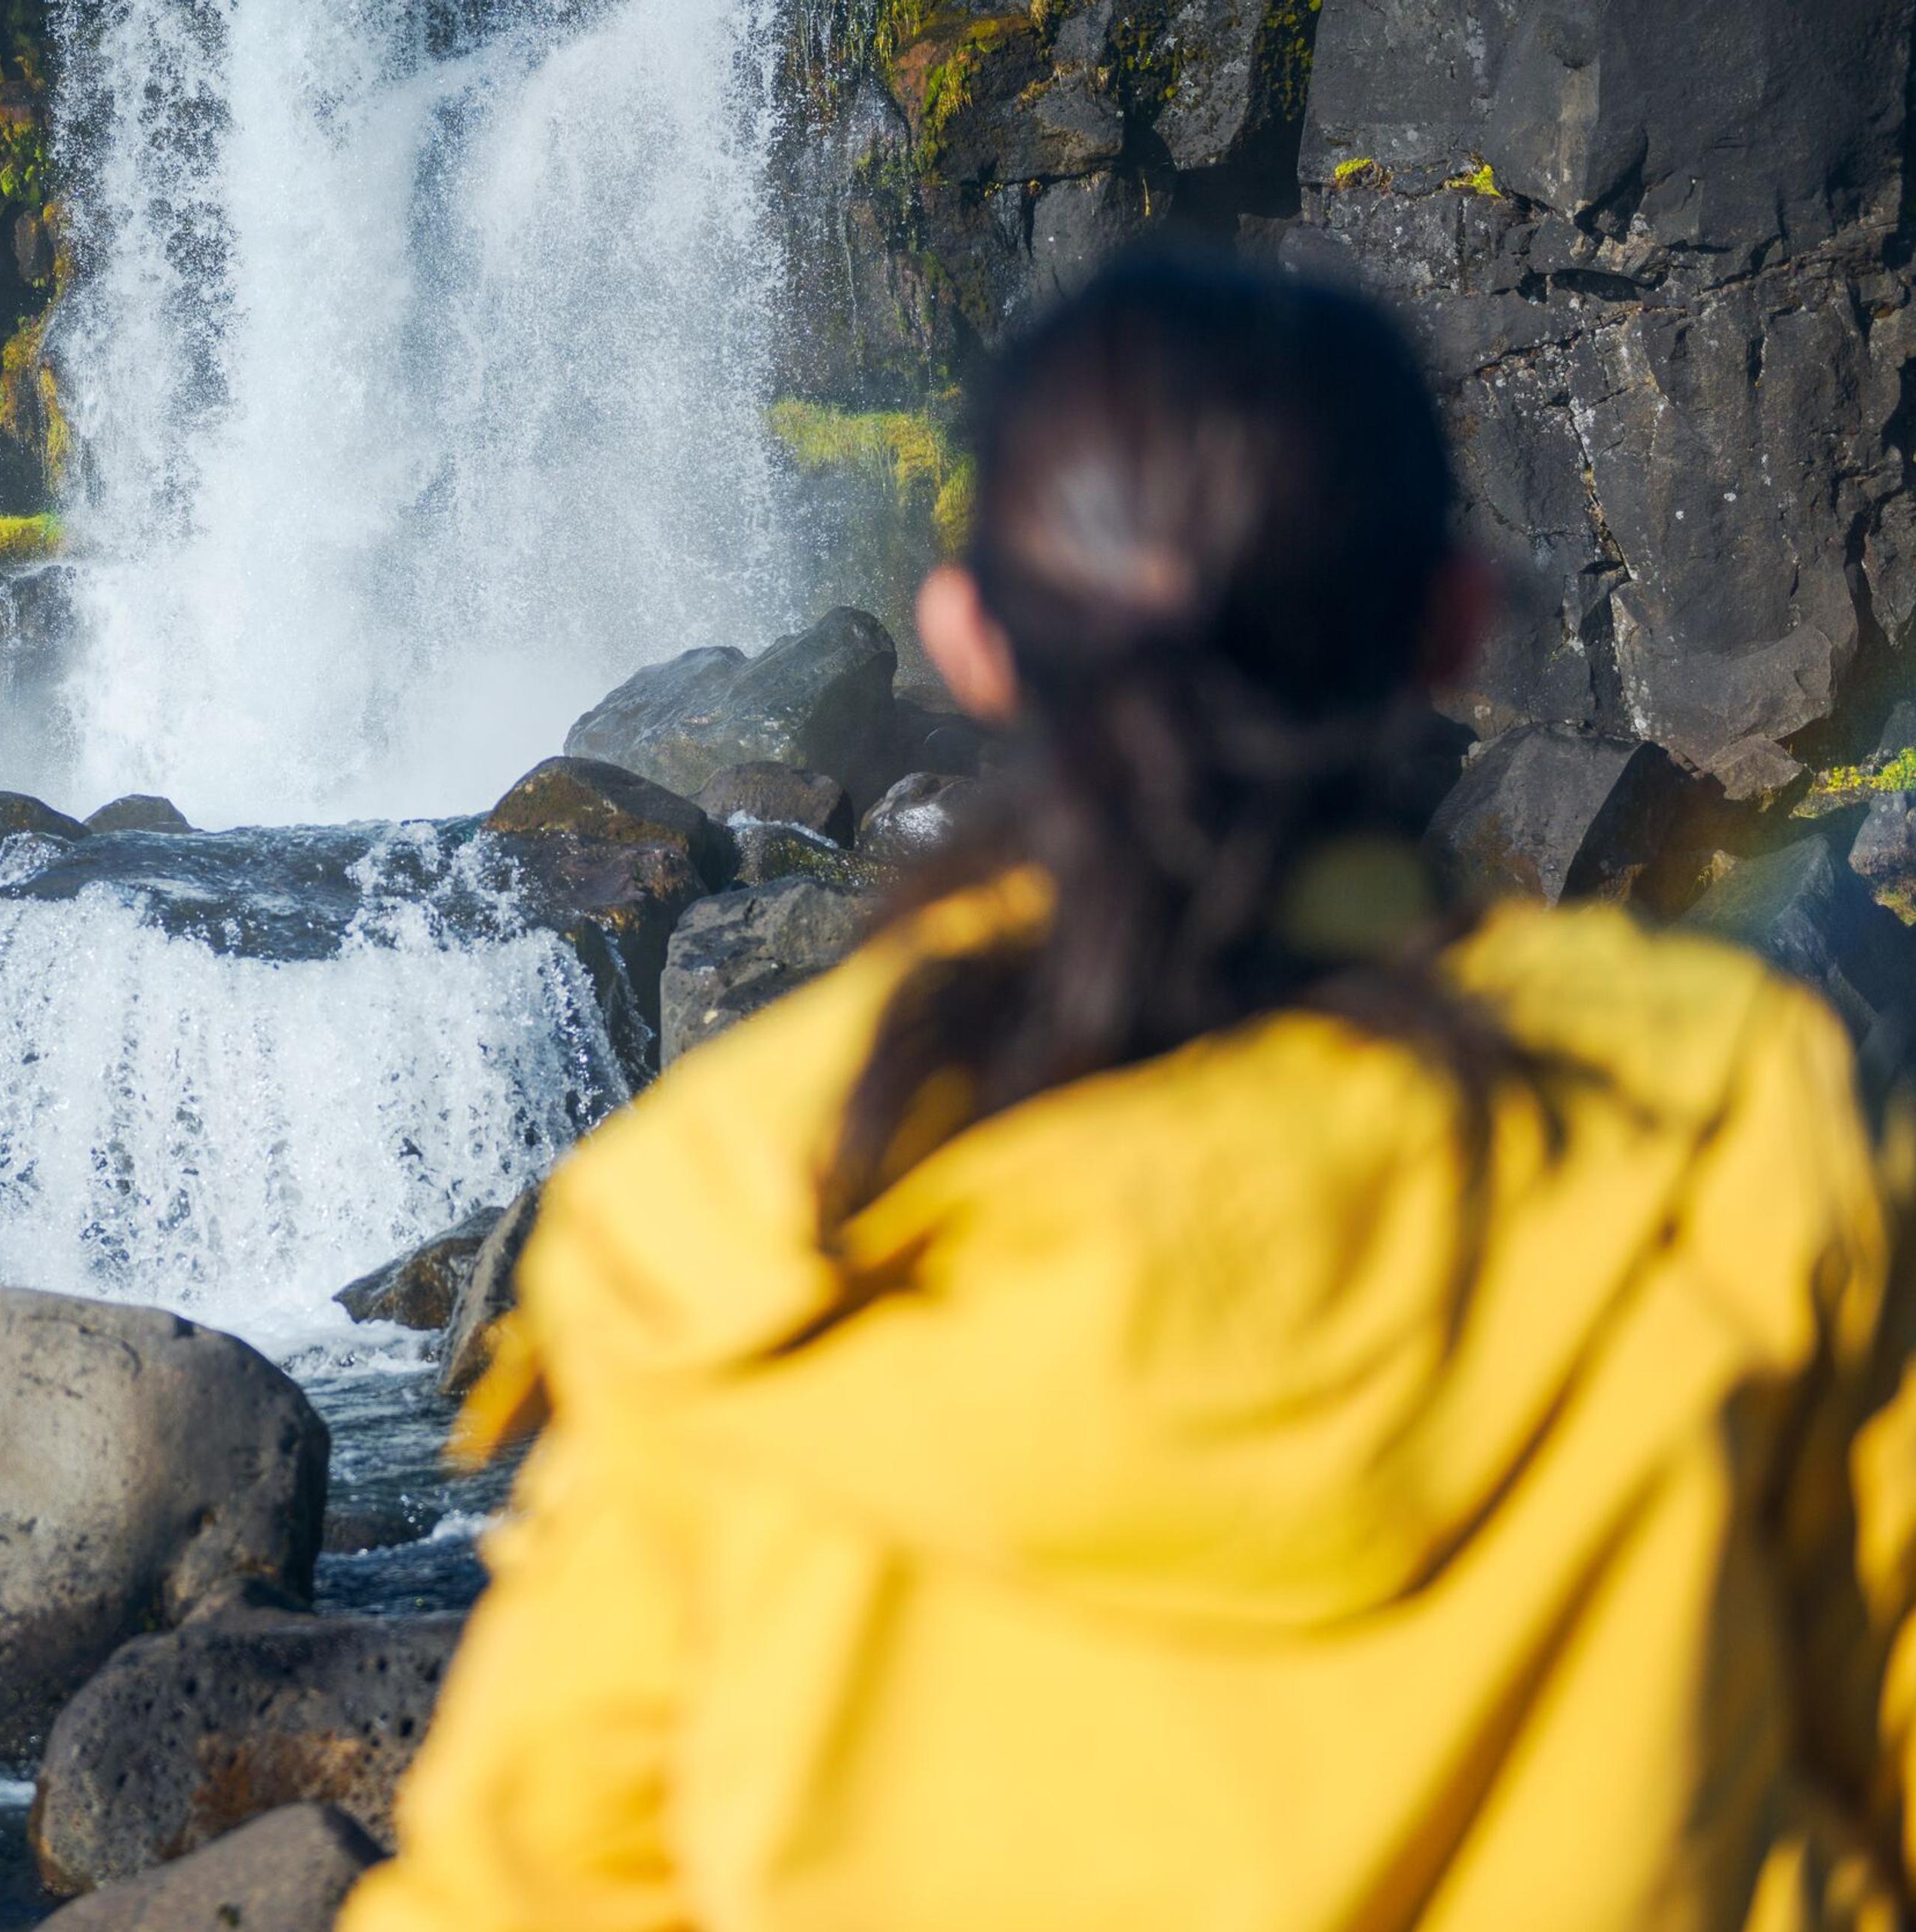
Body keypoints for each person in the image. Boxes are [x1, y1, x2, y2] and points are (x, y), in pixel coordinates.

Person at [338, 252, 1916, 1931]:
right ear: (1451, 623)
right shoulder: (1722, 1125)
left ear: (971, 642)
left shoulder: (731, 1206)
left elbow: (523, 1889)